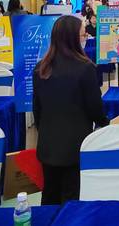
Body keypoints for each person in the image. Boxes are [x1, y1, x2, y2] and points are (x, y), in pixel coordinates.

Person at [33, 15, 109, 205]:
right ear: (72, 38)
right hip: (76, 144)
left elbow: (37, 109)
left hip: (48, 143)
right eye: (83, 35)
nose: (85, 39)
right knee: (72, 198)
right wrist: (105, 123)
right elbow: (94, 107)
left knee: (49, 196)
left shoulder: (41, 68)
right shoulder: (85, 68)